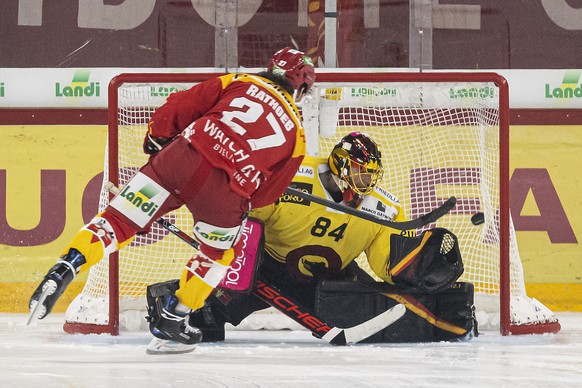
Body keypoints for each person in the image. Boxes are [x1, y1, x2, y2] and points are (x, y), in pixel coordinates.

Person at [29, 47, 316, 351]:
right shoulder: (297, 136)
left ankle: (67, 265)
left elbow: (180, 106)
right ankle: (174, 319)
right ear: (302, 86)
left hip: (182, 157)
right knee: (216, 256)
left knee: (117, 221)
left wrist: (157, 138)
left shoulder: (239, 81)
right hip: (227, 189)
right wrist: (238, 202)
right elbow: (268, 195)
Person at [188, 132, 472, 344]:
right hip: (266, 267)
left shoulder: (384, 208)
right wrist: (237, 260)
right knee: (207, 321)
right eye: (361, 173)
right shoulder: (291, 176)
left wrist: (411, 265)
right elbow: (246, 216)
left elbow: (384, 260)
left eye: (372, 175)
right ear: (341, 165)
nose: (367, 183)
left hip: (332, 277)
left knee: (381, 309)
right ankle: (178, 304)